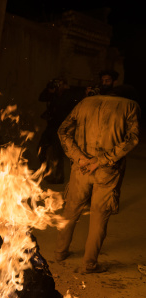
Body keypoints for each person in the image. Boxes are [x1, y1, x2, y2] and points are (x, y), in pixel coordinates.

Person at [55, 87, 140, 273]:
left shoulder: (84, 103)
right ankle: (89, 264)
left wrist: (79, 158)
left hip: (81, 168)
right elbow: (132, 139)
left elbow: (63, 131)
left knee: (71, 210)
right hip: (107, 171)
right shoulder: (130, 106)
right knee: (99, 217)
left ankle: (60, 252)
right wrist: (100, 161)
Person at [37, 77, 81, 184]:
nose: (58, 87)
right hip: (51, 126)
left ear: (65, 85)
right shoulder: (54, 93)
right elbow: (41, 98)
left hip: (62, 128)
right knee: (42, 149)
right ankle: (47, 172)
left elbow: (64, 106)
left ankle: (58, 177)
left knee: (57, 153)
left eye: (60, 84)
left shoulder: (69, 95)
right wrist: (49, 89)